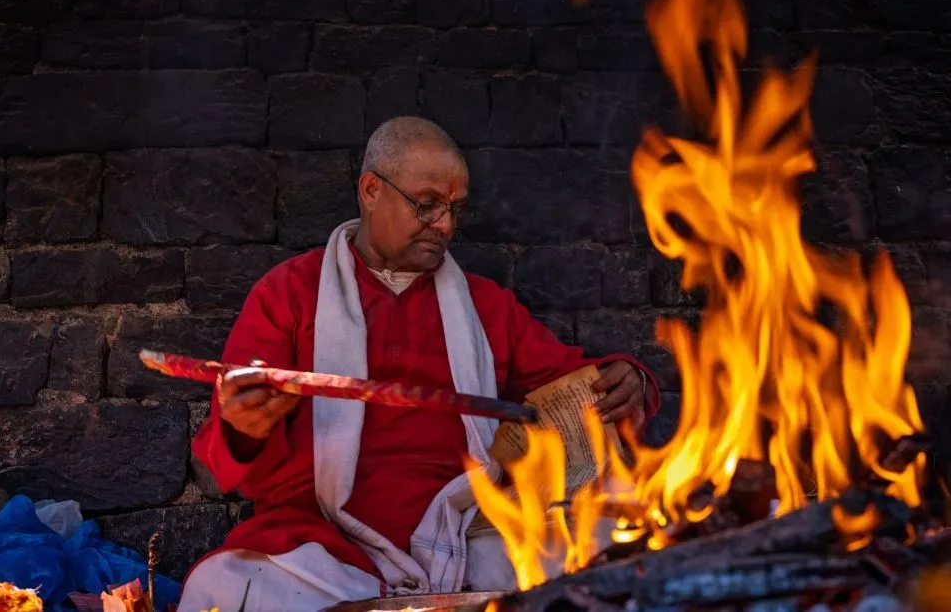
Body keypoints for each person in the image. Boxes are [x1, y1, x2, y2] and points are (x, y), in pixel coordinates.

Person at [178, 117, 660, 612]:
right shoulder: (289, 293)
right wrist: (244, 427)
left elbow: (572, 380)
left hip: (469, 530)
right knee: (222, 585)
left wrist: (628, 380)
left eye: (455, 209)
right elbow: (234, 459)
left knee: (615, 544)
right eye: (426, 205)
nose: (445, 226)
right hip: (325, 545)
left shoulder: (486, 306)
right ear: (371, 190)